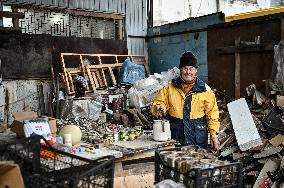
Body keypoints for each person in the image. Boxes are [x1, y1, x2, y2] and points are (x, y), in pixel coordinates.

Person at [151, 51, 220, 151]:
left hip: (198, 140)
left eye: (191, 68)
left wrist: (214, 135)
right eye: (185, 68)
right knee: (175, 164)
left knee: (197, 165)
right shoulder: (169, 88)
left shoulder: (206, 90)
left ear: (196, 70)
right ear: (180, 70)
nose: (188, 72)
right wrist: (159, 107)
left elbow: (212, 114)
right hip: (175, 138)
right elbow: (159, 102)